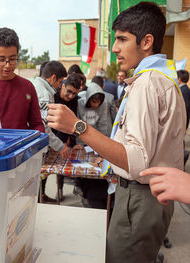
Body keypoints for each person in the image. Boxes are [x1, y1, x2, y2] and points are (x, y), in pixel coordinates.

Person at [47, 2, 186, 262]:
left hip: (139, 197)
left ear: (146, 41)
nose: (114, 48)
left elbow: (134, 161)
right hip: (149, 198)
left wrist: (78, 126)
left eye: (122, 39)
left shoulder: (147, 83)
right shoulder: (163, 78)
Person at [33, 60, 68, 203]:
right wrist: (60, 146)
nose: (60, 86)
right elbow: (43, 128)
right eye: (60, 82)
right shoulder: (44, 94)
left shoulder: (35, 85)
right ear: (53, 78)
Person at [53, 73, 82, 199]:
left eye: (74, 93)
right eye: (69, 91)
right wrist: (58, 143)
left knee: (62, 165)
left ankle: (60, 189)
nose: (71, 96)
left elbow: (73, 122)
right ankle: (41, 195)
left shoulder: (74, 101)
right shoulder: (52, 96)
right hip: (51, 137)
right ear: (62, 85)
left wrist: (73, 142)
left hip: (65, 139)